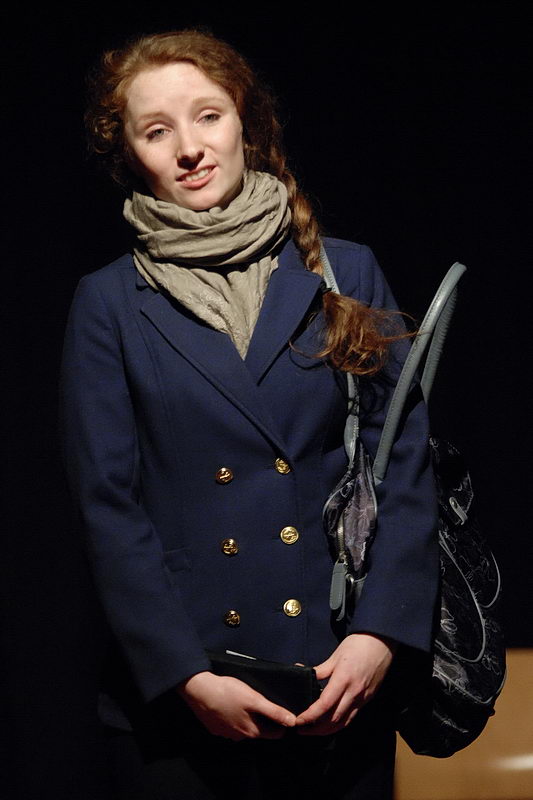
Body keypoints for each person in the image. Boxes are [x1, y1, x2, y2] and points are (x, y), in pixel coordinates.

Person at [60, 29, 439, 800]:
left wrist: (378, 635)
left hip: (335, 679)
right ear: (129, 153)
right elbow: (108, 508)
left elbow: (404, 466)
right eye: (156, 130)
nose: (189, 148)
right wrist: (187, 677)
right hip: (187, 695)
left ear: (246, 122)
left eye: (208, 116)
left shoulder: (344, 270)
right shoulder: (109, 302)